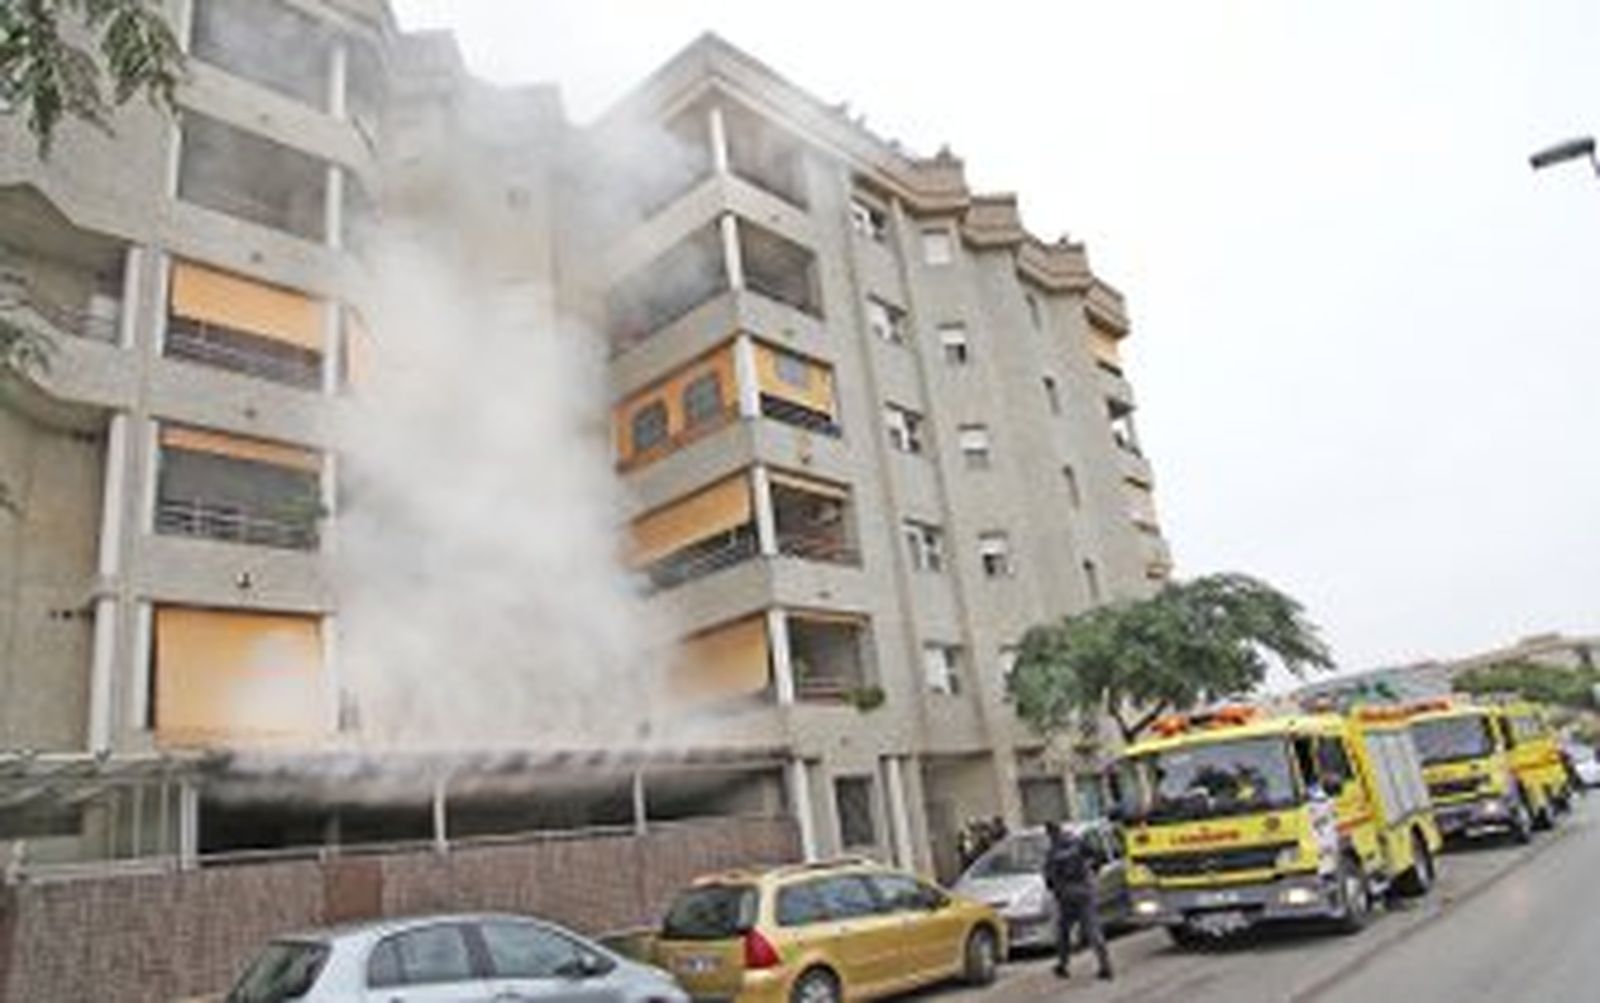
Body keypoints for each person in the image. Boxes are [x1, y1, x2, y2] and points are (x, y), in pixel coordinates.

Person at [1042, 820, 1113, 981]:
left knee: (1063, 933)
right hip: (1084, 891)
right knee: (1093, 930)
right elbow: (1097, 856)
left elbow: (1049, 878)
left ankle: (1063, 964)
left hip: (1067, 895)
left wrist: (1056, 889)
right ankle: (1105, 965)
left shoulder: (1053, 852)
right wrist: (1092, 873)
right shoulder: (1077, 842)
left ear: (1050, 834)